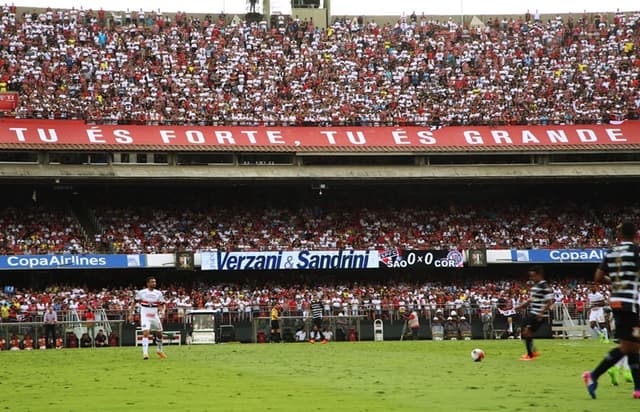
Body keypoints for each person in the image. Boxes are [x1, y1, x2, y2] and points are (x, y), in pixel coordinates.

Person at [583, 221, 640, 399]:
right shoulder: (637, 251)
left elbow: (598, 277)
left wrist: (615, 281)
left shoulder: (611, 252)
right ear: (636, 235)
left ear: (620, 235)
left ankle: (637, 389)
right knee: (630, 345)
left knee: (631, 345)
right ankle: (593, 375)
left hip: (615, 302)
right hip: (629, 302)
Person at [515, 265, 554, 361]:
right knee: (525, 331)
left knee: (525, 331)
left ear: (539, 275)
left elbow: (549, 301)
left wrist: (541, 312)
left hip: (538, 314)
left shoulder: (544, 286)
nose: (531, 278)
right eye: (530, 276)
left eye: (533, 276)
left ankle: (530, 355)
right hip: (533, 313)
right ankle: (532, 352)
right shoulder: (535, 287)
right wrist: (521, 306)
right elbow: (531, 300)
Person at [128, 276, 168, 360]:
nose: (154, 283)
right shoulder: (142, 292)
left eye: (155, 282)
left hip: (154, 315)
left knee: (160, 334)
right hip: (145, 315)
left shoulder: (158, 293)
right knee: (146, 333)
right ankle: (145, 353)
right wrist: (131, 314)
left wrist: (163, 311)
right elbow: (134, 303)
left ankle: (159, 350)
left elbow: (162, 304)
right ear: (148, 283)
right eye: (152, 282)